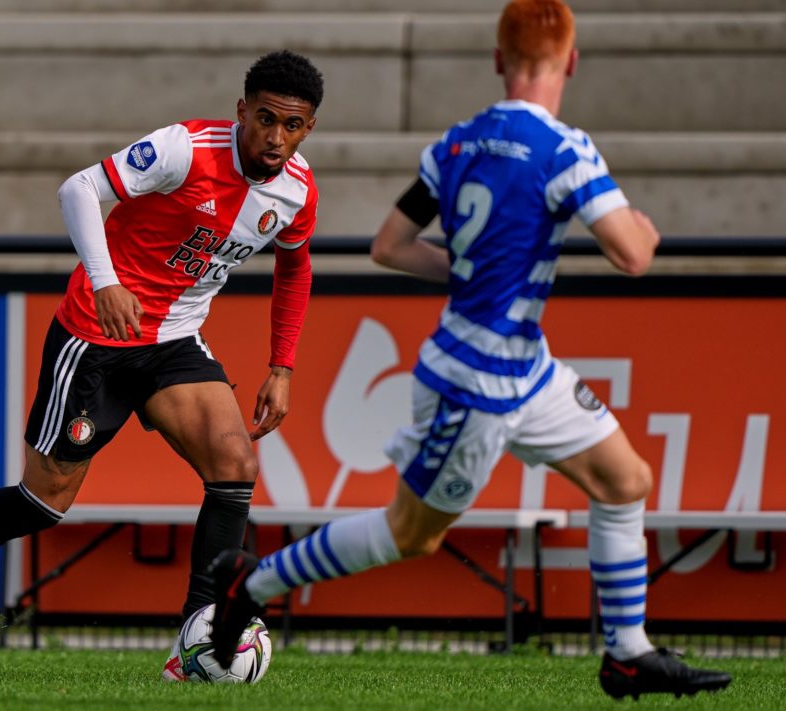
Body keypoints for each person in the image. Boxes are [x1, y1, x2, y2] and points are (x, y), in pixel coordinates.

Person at [209, 1, 731, 700]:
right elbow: (633, 254)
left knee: (625, 481)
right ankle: (252, 580)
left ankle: (627, 653)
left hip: (527, 368)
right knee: (409, 533)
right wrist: (641, 225)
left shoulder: (456, 143)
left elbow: (388, 246)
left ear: (497, 60)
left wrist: (469, 269)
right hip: (474, 383)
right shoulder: (565, 148)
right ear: (571, 62)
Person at [0, 50, 324, 682]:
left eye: (294, 125)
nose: (276, 137)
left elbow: (294, 266)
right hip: (95, 337)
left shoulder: (298, 188)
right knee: (44, 503)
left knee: (235, 465)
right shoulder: (186, 148)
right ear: (241, 111)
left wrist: (282, 365)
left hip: (174, 341)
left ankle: (196, 636)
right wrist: (105, 281)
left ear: (309, 128)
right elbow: (79, 188)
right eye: (265, 118)